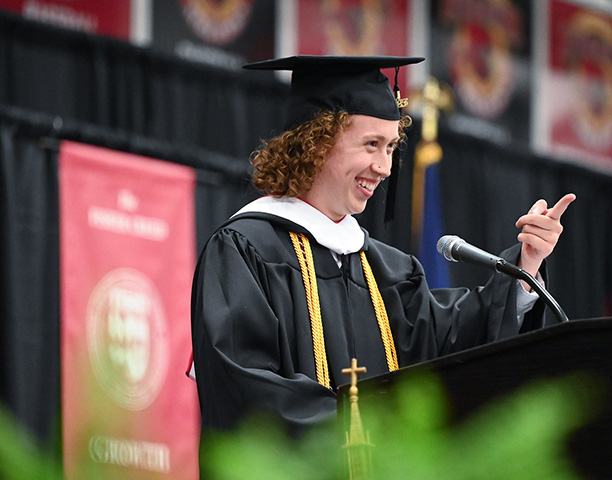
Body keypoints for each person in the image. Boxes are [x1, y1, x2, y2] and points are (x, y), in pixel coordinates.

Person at [190, 55, 575, 439]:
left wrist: (526, 267)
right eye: (371, 144)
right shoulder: (245, 251)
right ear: (315, 142)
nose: (385, 167)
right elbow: (242, 388)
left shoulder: (386, 270)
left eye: (391, 147)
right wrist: (358, 429)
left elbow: (450, 349)